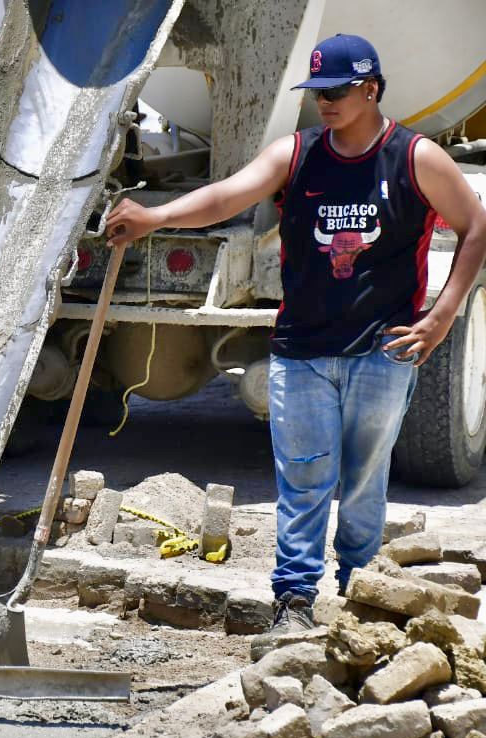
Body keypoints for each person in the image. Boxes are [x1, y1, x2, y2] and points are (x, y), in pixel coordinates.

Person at [107, 34, 486, 635]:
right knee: (304, 480)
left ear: (371, 89)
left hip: (381, 354)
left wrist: (441, 316)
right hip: (301, 352)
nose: (325, 103)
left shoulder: (414, 158)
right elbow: (226, 195)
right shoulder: (298, 154)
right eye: (317, 92)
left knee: (364, 481)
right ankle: (294, 601)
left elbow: (476, 225)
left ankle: (362, 593)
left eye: (336, 91)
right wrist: (156, 217)